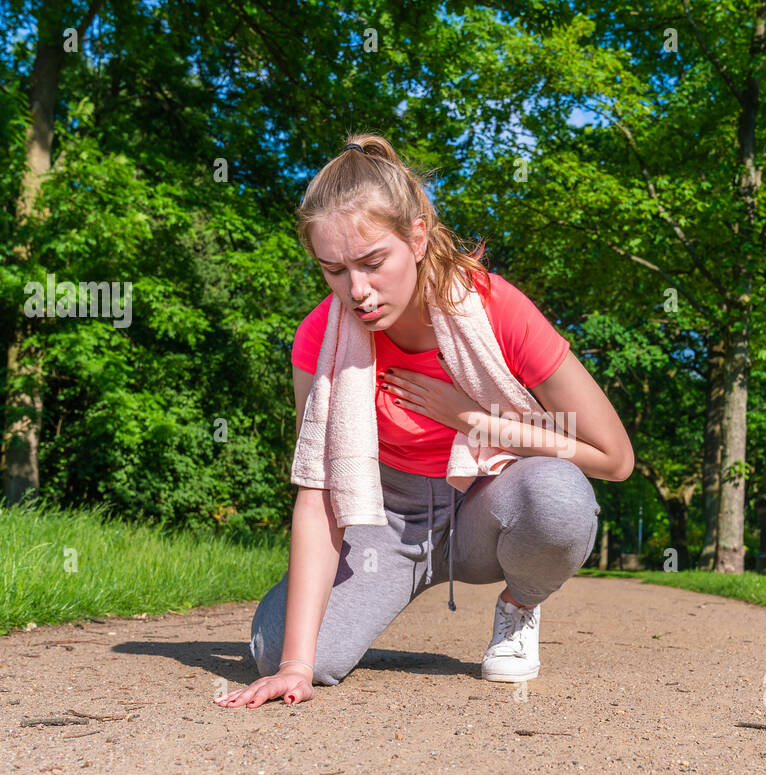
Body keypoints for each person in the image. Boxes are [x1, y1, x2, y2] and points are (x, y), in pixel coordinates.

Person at [216, 134, 633, 709]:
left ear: (416, 236)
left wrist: (476, 421)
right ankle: (338, 600)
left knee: (557, 497)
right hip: (380, 521)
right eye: (333, 270)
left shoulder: (496, 309)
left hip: (482, 505)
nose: (356, 292)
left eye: (371, 262)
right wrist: (294, 663)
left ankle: (518, 607)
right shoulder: (321, 335)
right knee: (287, 656)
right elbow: (319, 492)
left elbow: (614, 459)